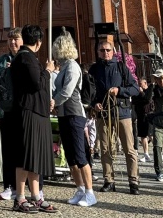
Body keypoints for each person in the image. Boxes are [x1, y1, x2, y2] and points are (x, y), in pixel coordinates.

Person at [9, 25, 58, 213]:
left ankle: (36, 196)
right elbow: (37, 83)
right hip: (29, 113)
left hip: (37, 111)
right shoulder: (26, 58)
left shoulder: (28, 57)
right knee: (25, 156)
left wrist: (47, 101)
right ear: (38, 42)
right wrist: (48, 70)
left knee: (34, 157)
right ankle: (20, 197)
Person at [52, 31, 96, 207]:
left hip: (75, 114)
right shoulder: (63, 67)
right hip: (64, 115)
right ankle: (80, 189)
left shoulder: (72, 66)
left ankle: (90, 192)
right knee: (70, 156)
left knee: (80, 155)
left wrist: (54, 102)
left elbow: (67, 91)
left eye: (56, 48)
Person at [89, 41, 140, 195]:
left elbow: (135, 88)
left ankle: (133, 181)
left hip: (122, 113)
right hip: (103, 114)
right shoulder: (94, 69)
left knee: (129, 149)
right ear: (98, 52)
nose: (105, 53)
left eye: (108, 50)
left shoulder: (121, 67)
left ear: (113, 52)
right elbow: (89, 92)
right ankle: (109, 180)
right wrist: (94, 104)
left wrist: (120, 90)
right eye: (102, 50)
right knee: (105, 149)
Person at [0, 27, 23, 201]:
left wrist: (16, 70)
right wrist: (4, 73)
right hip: (5, 110)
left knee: (21, 150)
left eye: (15, 39)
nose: (12, 42)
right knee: (8, 150)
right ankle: (9, 186)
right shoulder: (2, 59)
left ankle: (23, 186)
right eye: (10, 39)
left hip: (22, 111)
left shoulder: (25, 58)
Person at [133, 77, 152, 162]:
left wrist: (141, 93)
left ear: (145, 83)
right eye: (138, 84)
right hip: (140, 115)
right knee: (143, 135)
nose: (139, 86)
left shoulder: (149, 90)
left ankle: (158, 152)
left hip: (148, 115)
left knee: (151, 135)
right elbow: (134, 101)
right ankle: (146, 154)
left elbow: (147, 100)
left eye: (140, 84)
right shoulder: (137, 92)